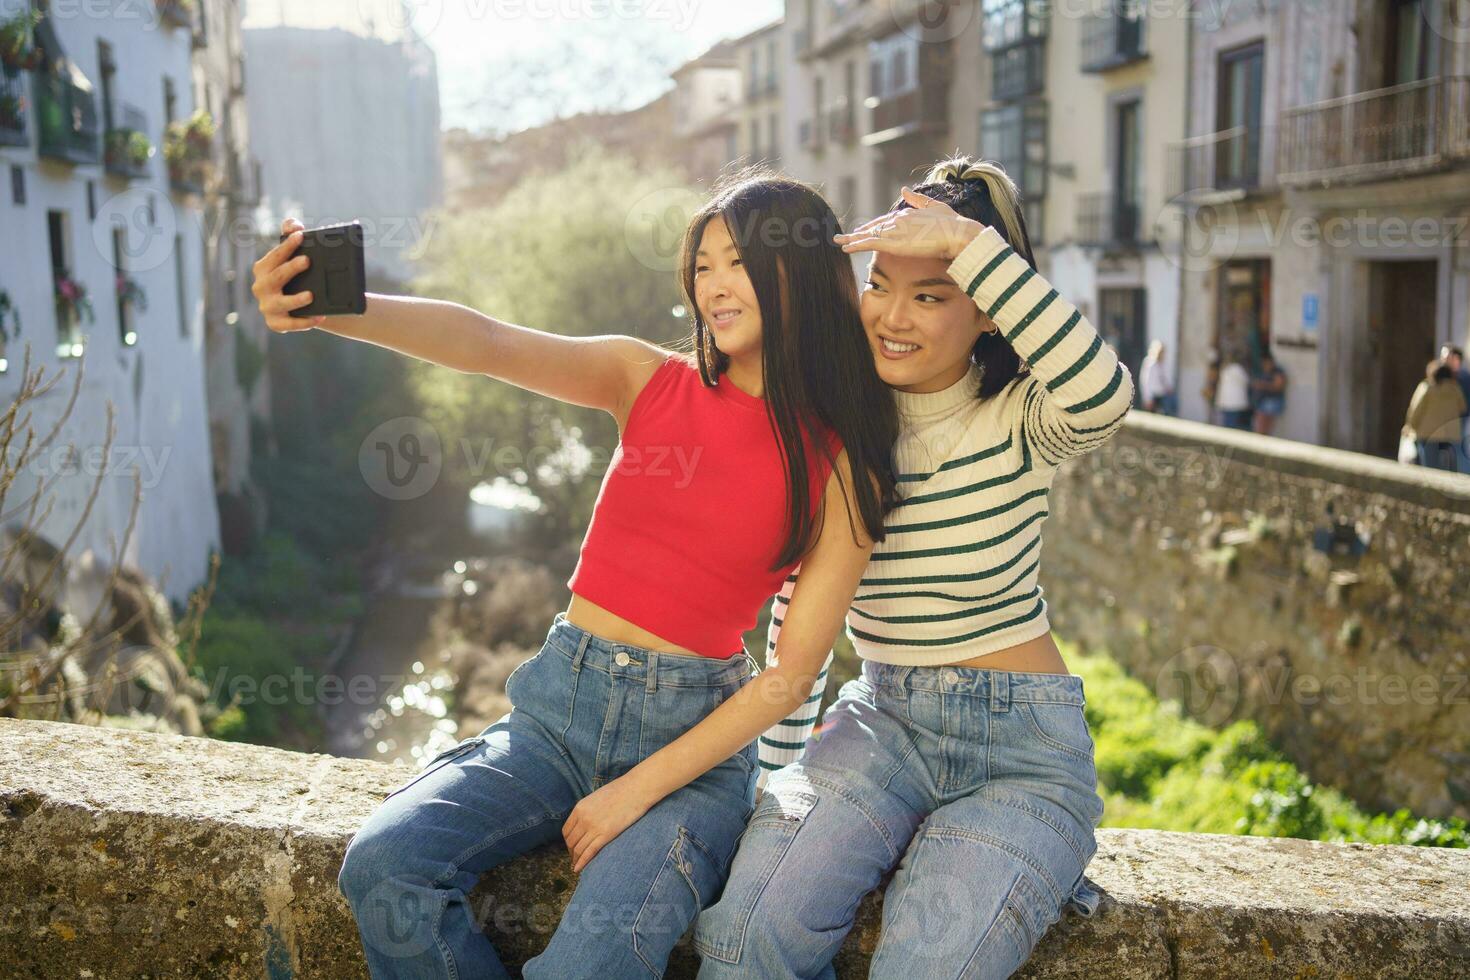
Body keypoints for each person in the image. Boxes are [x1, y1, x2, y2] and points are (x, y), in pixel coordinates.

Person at [251, 172, 902, 979]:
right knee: (385, 866)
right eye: (701, 267)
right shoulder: (644, 377)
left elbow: (792, 676)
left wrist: (635, 792)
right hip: (554, 716)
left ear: (796, 270)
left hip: (687, 754)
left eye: (735, 261)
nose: (714, 286)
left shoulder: (843, 460)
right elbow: (485, 342)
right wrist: (339, 308)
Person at [695, 158, 1133, 980]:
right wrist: (773, 780)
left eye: (931, 295)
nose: (893, 317)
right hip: (879, 725)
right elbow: (801, 620)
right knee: (745, 940)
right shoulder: (833, 423)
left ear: (991, 312)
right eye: (880, 285)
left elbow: (1105, 393)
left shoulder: (1026, 419)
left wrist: (969, 245)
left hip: (1022, 751)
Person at [1405, 359, 1467, 472]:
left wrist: (1411, 426)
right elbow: (1462, 408)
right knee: (1447, 469)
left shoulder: (1426, 388)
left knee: (1429, 469)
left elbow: (1416, 410)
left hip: (1427, 434)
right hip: (1449, 435)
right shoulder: (1455, 389)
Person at [1440, 344, 1470, 474]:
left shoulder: (1463, 377)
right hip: (1443, 420)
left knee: (1459, 451)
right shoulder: (1440, 375)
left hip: (1459, 420)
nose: (1443, 359)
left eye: (1446, 356)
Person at [1250, 351, 1288, 435]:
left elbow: (1278, 386)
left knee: (1264, 427)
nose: (1264, 365)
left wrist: (1262, 385)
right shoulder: (1264, 371)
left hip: (1271, 402)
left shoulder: (1277, 371)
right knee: (1260, 426)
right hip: (1262, 402)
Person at [1139, 339, 1176, 415]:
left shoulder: (1164, 364)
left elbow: (1167, 378)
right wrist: (1147, 398)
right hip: (1153, 395)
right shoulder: (1150, 363)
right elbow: (1145, 381)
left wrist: (1169, 388)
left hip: (1163, 394)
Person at [1216, 354, 1253, 430]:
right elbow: (1246, 381)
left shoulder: (1225, 369)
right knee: (1232, 423)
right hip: (1235, 402)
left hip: (1226, 401)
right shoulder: (1238, 369)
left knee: (1227, 421)